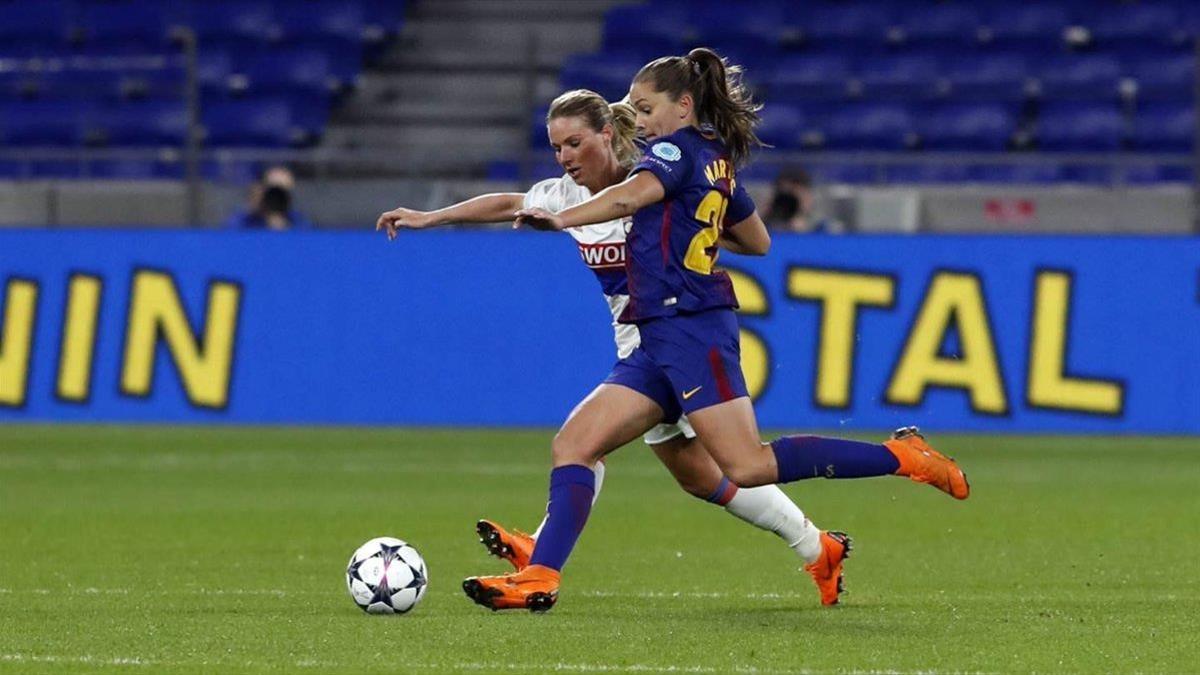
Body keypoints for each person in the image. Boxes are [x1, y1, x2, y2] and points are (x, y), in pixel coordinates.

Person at [491, 48, 969, 611]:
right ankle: (540, 573)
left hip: (691, 326)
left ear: (683, 105)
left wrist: (561, 218)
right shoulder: (714, 157)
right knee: (579, 444)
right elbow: (759, 241)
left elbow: (627, 195)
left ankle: (902, 457)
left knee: (746, 465)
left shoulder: (669, 152)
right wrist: (699, 225)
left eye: (645, 108)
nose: (638, 120)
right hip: (659, 336)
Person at [376, 89, 843, 608]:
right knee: (702, 476)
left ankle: (542, 563)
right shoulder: (566, 197)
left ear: (605, 135)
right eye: (556, 148)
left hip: (675, 340)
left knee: (579, 445)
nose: (565, 157)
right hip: (639, 349)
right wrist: (427, 217)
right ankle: (817, 546)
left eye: (574, 143)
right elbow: (508, 202)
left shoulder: (650, 182)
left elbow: (728, 228)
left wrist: (707, 235)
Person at [225, 164, 313, 231]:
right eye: (273, 191)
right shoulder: (243, 220)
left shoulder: (299, 222)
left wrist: (280, 226)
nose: (276, 197)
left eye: (282, 192)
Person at [765, 166, 845, 234]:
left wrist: (802, 224)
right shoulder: (763, 229)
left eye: (795, 193)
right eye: (785, 197)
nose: (790, 203)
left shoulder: (826, 230)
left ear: (809, 195)